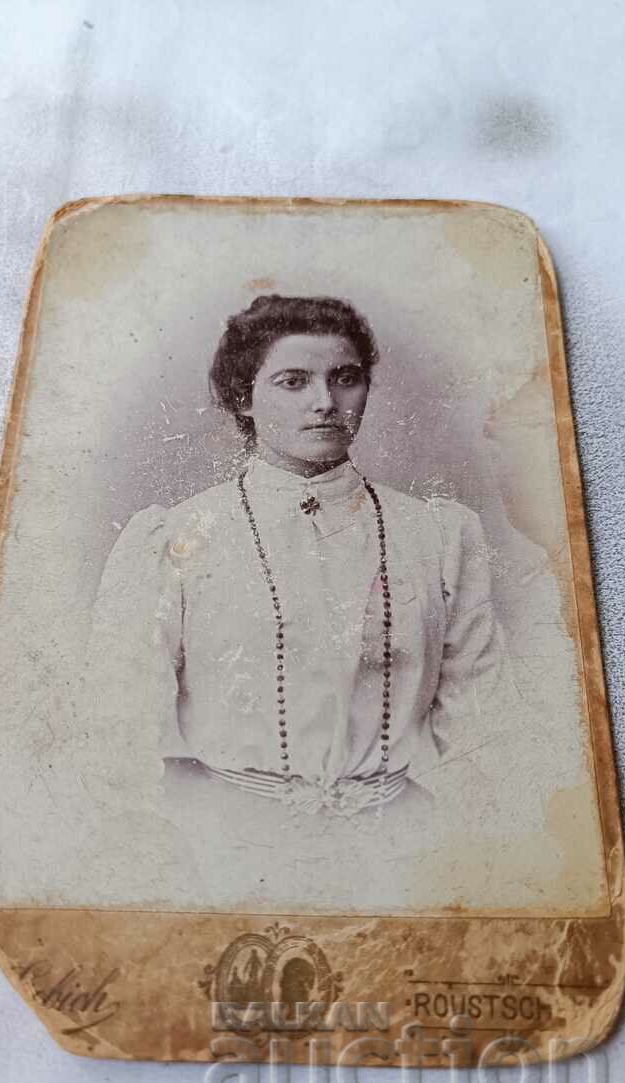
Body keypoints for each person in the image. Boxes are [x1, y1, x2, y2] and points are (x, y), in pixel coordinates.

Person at [85, 294, 537, 911]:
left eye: (345, 379)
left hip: (402, 852)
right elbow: (117, 724)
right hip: (225, 855)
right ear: (244, 397)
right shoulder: (176, 537)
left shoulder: (436, 534)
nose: (325, 402)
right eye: (293, 382)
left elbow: (483, 719)